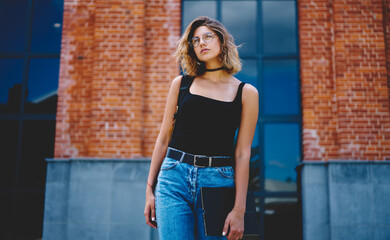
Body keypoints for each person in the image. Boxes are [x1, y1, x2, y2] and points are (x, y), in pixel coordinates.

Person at [144, 16, 259, 240]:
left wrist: (239, 209)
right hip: (173, 178)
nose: (201, 43)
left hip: (218, 180)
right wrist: (149, 188)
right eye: (195, 41)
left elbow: (243, 153)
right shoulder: (182, 84)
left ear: (222, 41)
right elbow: (163, 139)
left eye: (207, 37)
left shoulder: (246, 92)